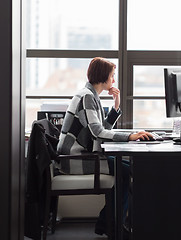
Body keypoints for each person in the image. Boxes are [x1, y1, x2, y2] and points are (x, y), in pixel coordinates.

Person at [57, 57, 153, 237]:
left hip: (84, 155)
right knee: (126, 173)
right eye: (112, 76)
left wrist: (115, 107)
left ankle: (110, 223)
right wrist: (130, 136)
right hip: (76, 159)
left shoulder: (91, 95)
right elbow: (97, 132)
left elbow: (100, 130)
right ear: (104, 77)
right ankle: (112, 225)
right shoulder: (86, 97)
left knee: (129, 170)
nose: (114, 80)